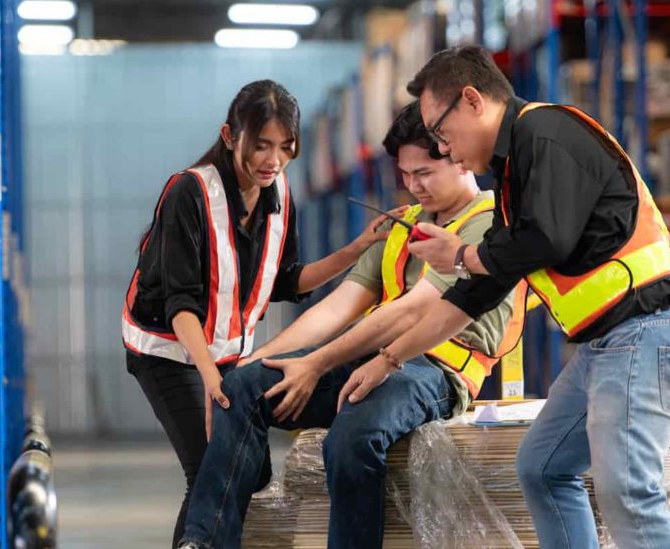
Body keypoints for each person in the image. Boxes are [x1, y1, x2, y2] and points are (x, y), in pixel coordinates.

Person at [363, 45, 670, 549]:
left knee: (628, 491)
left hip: (644, 327)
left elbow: (547, 238)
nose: (446, 149)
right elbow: (480, 289)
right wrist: (390, 358)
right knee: (543, 468)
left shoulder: (544, 134)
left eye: (441, 133)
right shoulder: (512, 178)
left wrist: (463, 254)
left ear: (473, 101)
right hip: (605, 343)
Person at [177, 102, 527, 549]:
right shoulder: (405, 227)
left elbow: (413, 310)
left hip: (438, 367)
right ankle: (204, 543)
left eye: (425, 173)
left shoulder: (490, 222)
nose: (413, 186)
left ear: (456, 158)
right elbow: (337, 308)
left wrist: (318, 365)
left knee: (351, 439)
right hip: (366, 357)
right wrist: (255, 361)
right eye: (405, 174)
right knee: (242, 389)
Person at [122, 80, 391, 548]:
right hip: (167, 350)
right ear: (230, 136)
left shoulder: (280, 194)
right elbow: (180, 303)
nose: (273, 159)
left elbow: (287, 280)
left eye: (285, 147)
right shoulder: (190, 192)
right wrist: (211, 379)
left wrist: (357, 248)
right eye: (261, 145)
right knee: (210, 466)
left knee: (251, 467)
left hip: (228, 351)